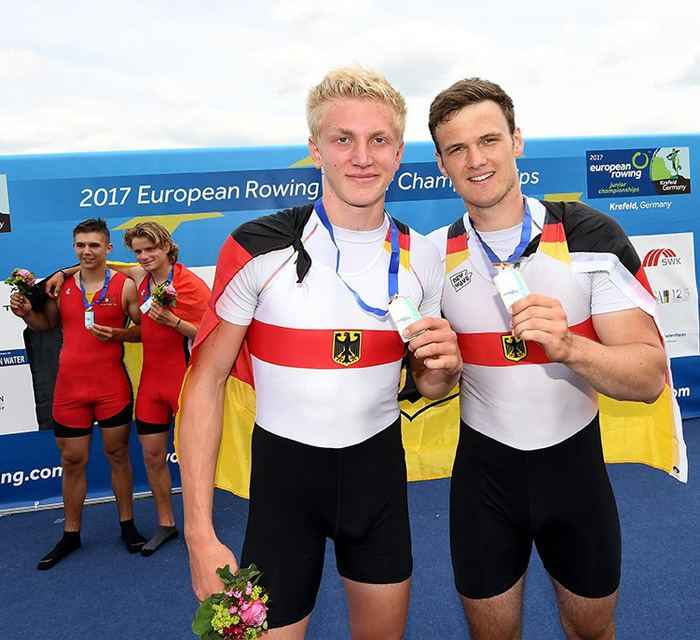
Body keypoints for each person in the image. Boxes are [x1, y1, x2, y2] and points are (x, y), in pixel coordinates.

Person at [178, 66, 462, 639]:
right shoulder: (257, 248)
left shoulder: (423, 258)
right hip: (282, 492)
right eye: (342, 139)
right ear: (315, 149)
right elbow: (205, 383)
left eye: (378, 139)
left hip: (377, 487)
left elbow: (429, 384)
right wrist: (199, 533)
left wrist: (444, 370)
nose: (362, 157)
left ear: (399, 152)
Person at [427, 78, 668, 640]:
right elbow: (431, 386)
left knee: (592, 633)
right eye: (457, 148)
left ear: (517, 140)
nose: (476, 159)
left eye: (489, 140)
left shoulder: (589, 233)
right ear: (441, 164)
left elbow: (649, 378)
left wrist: (570, 348)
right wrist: (437, 370)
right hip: (484, 480)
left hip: (574, 473)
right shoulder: (431, 255)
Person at [48, 222, 211, 556]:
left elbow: (212, 333)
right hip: (151, 383)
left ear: (167, 247)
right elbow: (99, 264)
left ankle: (201, 527)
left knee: (193, 459)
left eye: (151, 249)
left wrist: (173, 321)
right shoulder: (139, 278)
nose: (144, 256)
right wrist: (62, 273)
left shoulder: (190, 283)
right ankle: (166, 524)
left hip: (183, 380)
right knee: (152, 456)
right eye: (138, 251)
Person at [9, 218, 146, 569]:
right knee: (72, 461)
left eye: (94, 245)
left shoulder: (125, 286)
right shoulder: (62, 286)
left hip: (110, 386)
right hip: (70, 388)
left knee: (118, 454)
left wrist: (119, 335)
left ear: (108, 248)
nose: (87, 251)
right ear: (74, 247)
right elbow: (46, 324)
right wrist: (26, 315)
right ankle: (71, 534)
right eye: (81, 245)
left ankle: (128, 526)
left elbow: (145, 330)